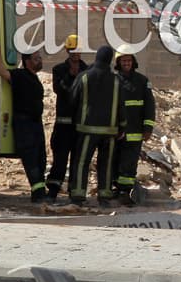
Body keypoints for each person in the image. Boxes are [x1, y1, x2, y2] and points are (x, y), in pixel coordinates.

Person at [0, 40, 47, 203]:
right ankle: (38, 195)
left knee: (40, 159)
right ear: (28, 62)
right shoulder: (20, 75)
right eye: (36, 59)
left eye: (40, 58)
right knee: (31, 160)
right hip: (25, 125)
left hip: (36, 124)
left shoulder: (34, 78)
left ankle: (40, 191)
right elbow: (2, 71)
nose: (40, 61)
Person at [67, 45, 123, 207]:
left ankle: (78, 195)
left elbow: (73, 98)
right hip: (110, 131)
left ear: (97, 57)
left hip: (87, 130)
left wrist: (75, 120)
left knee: (82, 162)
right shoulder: (116, 80)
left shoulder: (84, 77)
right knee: (106, 164)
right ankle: (104, 196)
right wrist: (123, 126)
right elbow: (121, 106)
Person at [46, 34, 88, 201]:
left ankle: (74, 192)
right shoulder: (59, 70)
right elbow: (60, 89)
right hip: (63, 124)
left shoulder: (87, 70)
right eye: (72, 50)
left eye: (78, 50)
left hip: (79, 124)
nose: (75, 53)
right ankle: (53, 190)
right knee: (60, 160)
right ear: (68, 50)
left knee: (78, 161)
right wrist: (70, 76)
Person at [112, 44, 156, 205]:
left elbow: (150, 107)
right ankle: (115, 188)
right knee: (114, 161)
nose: (126, 63)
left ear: (133, 61)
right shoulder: (113, 80)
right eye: (123, 60)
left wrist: (148, 128)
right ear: (118, 62)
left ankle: (126, 192)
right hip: (116, 132)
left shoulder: (142, 81)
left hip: (135, 131)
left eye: (129, 60)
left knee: (129, 163)